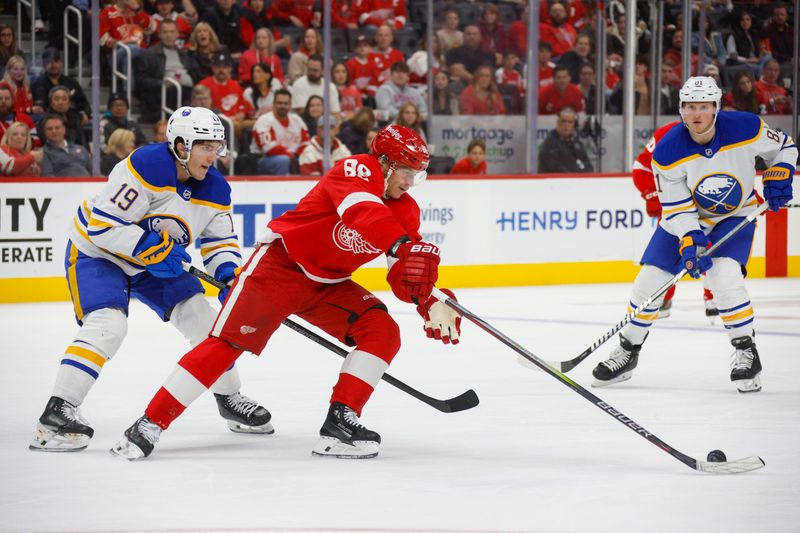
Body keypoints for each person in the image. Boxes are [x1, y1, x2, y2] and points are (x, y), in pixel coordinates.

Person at [110, 124, 461, 461]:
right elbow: (363, 214)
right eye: (405, 171)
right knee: (226, 343)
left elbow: (406, 270)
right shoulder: (356, 169)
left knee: (382, 330)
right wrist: (402, 245)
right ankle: (149, 423)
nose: (410, 182)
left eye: (417, 174)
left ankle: (340, 422)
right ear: (384, 163)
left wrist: (429, 299)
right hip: (280, 267)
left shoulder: (406, 211)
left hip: (329, 284)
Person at [30, 107, 272, 453]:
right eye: (205, 146)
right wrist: (148, 246)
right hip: (99, 253)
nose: (213, 154)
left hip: (150, 264)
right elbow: (103, 226)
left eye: (217, 146)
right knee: (107, 325)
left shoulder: (216, 188)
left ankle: (228, 397)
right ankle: (57, 411)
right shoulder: (146, 166)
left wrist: (228, 274)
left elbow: (220, 242)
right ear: (180, 145)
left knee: (205, 321)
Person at [592, 76, 796, 393]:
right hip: (685, 219)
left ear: (716, 108)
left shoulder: (746, 128)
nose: (696, 114)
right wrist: (690, 239)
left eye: (703, 107)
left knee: (724, 278)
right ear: (681, 110)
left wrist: (781, 171)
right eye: (689, 107)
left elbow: (784, 147)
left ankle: (745, 351)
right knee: (648, 282)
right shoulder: (668, 150)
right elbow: (676, 208)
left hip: (735, 213)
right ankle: (628, 351)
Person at [632, 120, 718, 320]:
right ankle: (663, 298)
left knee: (711, 247)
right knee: (670, 250)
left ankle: (714, 296)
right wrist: (652, 194)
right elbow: (641, 168)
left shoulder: (729, 137)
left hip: (708, 201)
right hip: (676, 202)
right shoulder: (667, 133)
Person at [251, 88, 309, 175]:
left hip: (294, 157)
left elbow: (306, 143)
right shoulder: (264, 120)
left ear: (290, 105)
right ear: (273, 104)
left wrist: (297, 155)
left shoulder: (297, 120)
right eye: (279, 103)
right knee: (283, 160)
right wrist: (290, 156)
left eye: (286, 103)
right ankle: (284, 188)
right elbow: (268, 148)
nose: (283, 106)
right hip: (265, 159)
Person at [537, 107, 592, 173]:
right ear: (558, 123)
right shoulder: (550, 146)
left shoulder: (576, 144)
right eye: (563, 121)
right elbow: (559, 171)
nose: (566, 125)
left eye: (570, 122)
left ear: (573, 125)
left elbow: (588, 166)